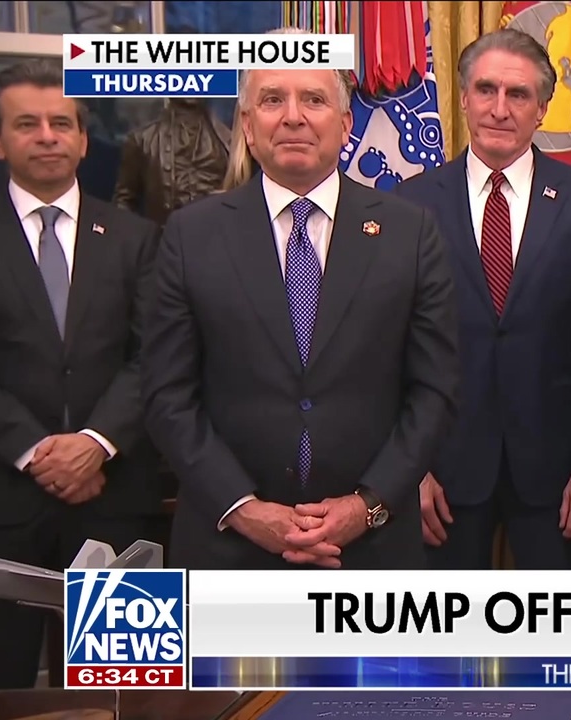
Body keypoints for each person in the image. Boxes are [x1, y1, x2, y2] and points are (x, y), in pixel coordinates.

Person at [141, 28, 461, 570]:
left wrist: (367, 505)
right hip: (229, 547)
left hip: (372, 550)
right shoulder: (190, 235)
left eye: (313, 99)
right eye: (272, 100)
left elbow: (436, 391)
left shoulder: (411, 233)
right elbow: (167, 396)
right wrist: (244, 510)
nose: (293, 117)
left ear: (346, 123)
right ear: (247, 125)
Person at [396, 29, 571, 570]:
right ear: (464, 98)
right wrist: (410, 468)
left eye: (518, 94)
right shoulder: (411, 203)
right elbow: (393, 349)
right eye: (486, 90)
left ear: (542, 109)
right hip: (443, 476)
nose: (500, 109)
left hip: (558, 477)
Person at [0, 59, 162, 688]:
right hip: (5, 506)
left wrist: (95, 444)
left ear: (84, 139)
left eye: (61, 123)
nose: (47, 136)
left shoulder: (137, 239)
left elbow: (158, 354)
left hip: (114, 501)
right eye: (27, 124)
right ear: (0, 141)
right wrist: (36, 452)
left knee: (122, 691)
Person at [112, 98, 231, 226]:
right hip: (163, 235)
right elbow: (123, 202)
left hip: (216, 233)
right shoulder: (142, 140)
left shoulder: (227, 141)